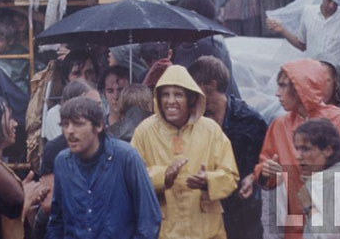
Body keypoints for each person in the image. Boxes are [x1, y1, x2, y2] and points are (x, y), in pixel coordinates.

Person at [245, 60, 340, 239]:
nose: (277, 93)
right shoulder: (279, 125)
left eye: (282, 86)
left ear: (301, 86)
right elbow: (266, 175)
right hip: (295, 226)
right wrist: (266, 172)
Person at [131, 65, 239, 239]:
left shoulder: (211, 130)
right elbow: (132, 179)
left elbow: (231, 176)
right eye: (165, 94)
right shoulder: (144, 131)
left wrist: (207, 181)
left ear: (191, 99)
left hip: (207, 232)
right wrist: (163, 177)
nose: (170, 101)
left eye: (178, 95)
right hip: (163, 232)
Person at [46, 96, 161, 239]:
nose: (70, 131)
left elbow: (149, 219)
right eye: (65, 124)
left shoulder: (126, 157)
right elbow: (57, 221)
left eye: (78, 124)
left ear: (99, 126)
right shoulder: (62, 162)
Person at [187, 56, 267, 239]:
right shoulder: (195, 119)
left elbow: (266, 159)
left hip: (244, 209)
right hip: (208, 205)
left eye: (194, 85)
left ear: (211, 85)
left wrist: (253, 178)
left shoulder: (250, 119)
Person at [267, 0, 340, 91]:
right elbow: (302, 45)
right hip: (311, 79)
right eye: (329, 0)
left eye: (336, 2)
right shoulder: (308, 12)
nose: (331, 6)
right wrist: (282, 30)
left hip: (335, 82)